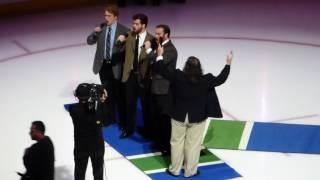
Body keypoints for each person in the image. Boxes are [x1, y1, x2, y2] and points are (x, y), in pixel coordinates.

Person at [153, 50, 233, 178]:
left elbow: (162, 70)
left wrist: (160, 55)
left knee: (176, 143)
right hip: (197, 118)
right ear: (199, 68)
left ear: (186, 66)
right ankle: (190, 171)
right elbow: (221, 79)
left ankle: (175, 170)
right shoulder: (206, 79)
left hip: (178, 116)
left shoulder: (177, 76)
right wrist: (228, 64)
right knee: (194, 145)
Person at [87, 4, 130, 127]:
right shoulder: (101, 28)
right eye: (105, 15)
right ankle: (108, 118)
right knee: (105, 93)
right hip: (103, 66)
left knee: (118, 94)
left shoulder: (124, 30)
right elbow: (89, 41)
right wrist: (95, 33)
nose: (106, 18)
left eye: (109, 16)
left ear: (116, 17)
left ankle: (123, 120)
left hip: (116, 66)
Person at [145, 24, 177, 154]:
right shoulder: (159, 46)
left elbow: (159, 65)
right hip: (155, 87)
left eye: (159, 34)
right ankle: (158, 141)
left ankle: (166, 146)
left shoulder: (171, 50)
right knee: (156, 117)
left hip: (163, 89)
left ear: (167, 35)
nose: (156, 36)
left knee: (164, 119)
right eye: (156, 33)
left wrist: (149, 51)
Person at [120, 13, 154, 138]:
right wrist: (121, 39)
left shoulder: (152, 39)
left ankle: (148, 130)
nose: (133, 26)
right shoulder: (130, 36)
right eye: (133, 23)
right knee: (129, 104)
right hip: (130, 76)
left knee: (146, 106)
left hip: (144, 77)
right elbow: (120, 47)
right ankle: (129, 129)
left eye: (136, 24)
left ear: (143, 25)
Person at [69, 83, 108, 180]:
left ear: (77, 96)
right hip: (97, 147)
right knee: (98, 173)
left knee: (79, 173)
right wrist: (102, 100)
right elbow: (105, 119)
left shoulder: (73, 109)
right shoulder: (98, 109)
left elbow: (81, 106)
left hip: (81, 147)